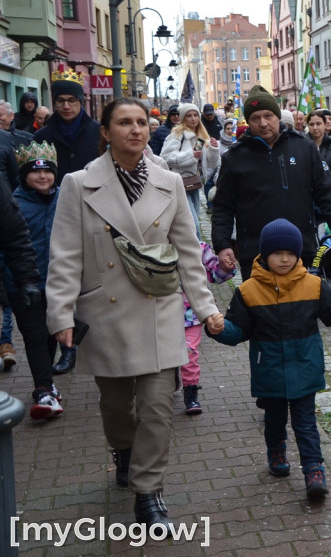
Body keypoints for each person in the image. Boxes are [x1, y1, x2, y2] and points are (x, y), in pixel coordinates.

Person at [45, 97, 224, 527]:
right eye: (124, 123)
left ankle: (149, 491)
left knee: (158, 406)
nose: (135, 130)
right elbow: (66, 254)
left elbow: (187, 254)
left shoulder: (170, 183)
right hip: (105, 311)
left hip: (158, 307)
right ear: (106, 132)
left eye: (142, 122)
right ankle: (123, 452)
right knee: (116, 405)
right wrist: (61, 315)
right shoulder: (78, 184)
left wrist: (205, 308)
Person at [209, 218, 331, 500]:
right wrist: (219, 329)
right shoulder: (248, 291)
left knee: (305, 422)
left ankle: (314, 470)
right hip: (269, 369)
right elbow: (238, 332)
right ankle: (276, 452)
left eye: (290, 253)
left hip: (305, 369)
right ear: (265, 255)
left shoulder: (314, 285)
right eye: (277, 253)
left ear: (298, 254)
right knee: (274, 419)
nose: (284, 259)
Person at [212, 85, 331, 281]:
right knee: (260, 310)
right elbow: (223, 207)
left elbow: (326, 193)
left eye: (268, 116)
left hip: (300, 249)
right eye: (255, 118)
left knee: (303, 308)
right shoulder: (234, 157)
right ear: (248, 122)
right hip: (255, 254)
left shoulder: (304, 147)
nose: (263, 123)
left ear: (278, 117)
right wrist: (223, 244)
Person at [0, 142, 62, 419]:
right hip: (22, 284)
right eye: (35, 172)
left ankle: (47, 380)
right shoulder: (14, 204)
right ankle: (44, 389)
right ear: (23, 174)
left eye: (48, 172)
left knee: (51, 335)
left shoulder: (65, 199)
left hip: (58, 283)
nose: (42, 177)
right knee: (35, 335)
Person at [180, 241, 235, 415]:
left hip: (191, 313)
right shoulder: (152, 241)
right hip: (160, 312)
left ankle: (191, 392)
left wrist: (225, 267)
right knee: (163, 351)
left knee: (189, 351)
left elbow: (215, 274)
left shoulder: (198, 246)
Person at [160, 103, 220, 240]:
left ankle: (195, 250)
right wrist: (190, 155)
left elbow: (211, 163)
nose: (193, 119)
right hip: (180, 183)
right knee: (193, 223)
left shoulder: (202, 135)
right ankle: (197, 252)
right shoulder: (177, 135)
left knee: (193, 221)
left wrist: (214, 149)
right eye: (189, 116)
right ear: (183, 118)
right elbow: (165, 157)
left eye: (195, 115)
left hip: (195, 183)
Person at [33, 69, 101, 185]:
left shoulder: (98, 132)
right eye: (60, 101)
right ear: (54, 103)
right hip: (55, 198)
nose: (66, 106)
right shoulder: (42, 136)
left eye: (72, 100)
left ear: (81, 101)